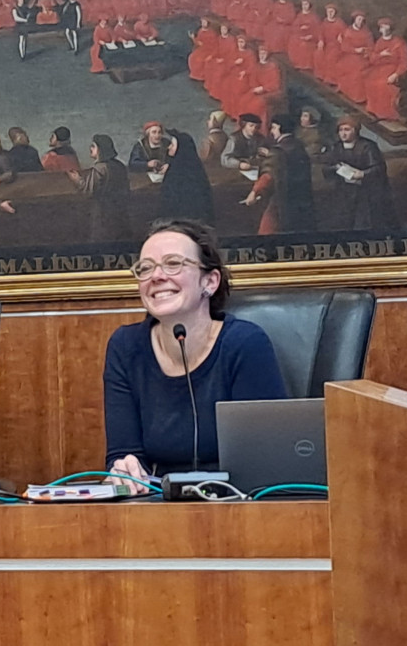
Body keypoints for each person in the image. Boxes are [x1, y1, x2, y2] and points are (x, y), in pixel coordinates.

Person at [103, 219, 287, 485]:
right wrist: (123, 472)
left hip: (238, 508)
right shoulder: (126, 347)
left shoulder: (245, 344)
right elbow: (123, 454)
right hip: (155, 507)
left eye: (173, 264)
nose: (156, 276)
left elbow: (266, 462)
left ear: (210, 282)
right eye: (145, 268)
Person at [242, 113, 315, 234]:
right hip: (302, 202)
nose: (272, 131)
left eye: (274, 128)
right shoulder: (299, 146)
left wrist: (255, 192)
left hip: (282, 202)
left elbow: (268, 175)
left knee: (268, 233)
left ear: (279, 128)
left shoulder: (278, 151)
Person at [322, 117, 397, 229]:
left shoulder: (368, 146)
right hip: (344, 193)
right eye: (341, 130)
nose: (343, 133)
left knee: (365, 223)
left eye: (347, 130)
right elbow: (326, 168)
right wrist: (336, 168)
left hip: (365, 193)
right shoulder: (336, 147)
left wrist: (362, 174)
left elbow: (378, 169)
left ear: (355, 131)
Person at [68, 134, 130, 239]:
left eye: (93, 146)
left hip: (103, 212)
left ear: (100, 149)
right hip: (120, 211)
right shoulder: (120, 165)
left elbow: (88, 190)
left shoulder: (100, 168)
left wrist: (77, 179)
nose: (90, 149)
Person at [158, 130, 215, 225]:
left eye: (172, 144)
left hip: (185, 221)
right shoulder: (188, 165)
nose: (169, 147)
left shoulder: (181, 171)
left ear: (181, 148)